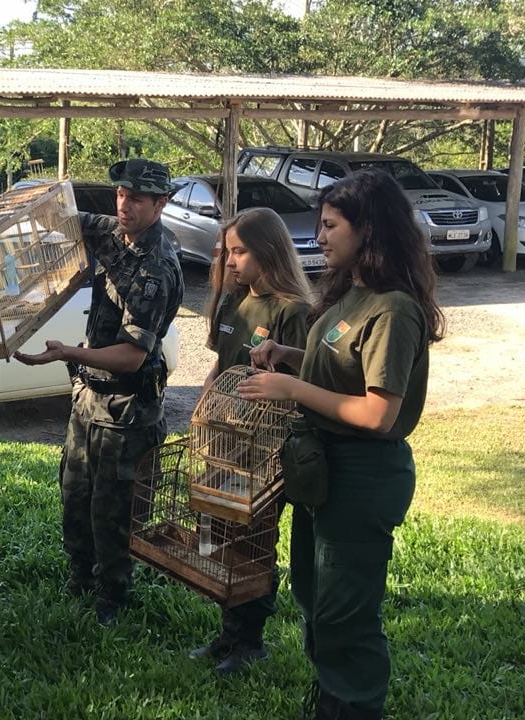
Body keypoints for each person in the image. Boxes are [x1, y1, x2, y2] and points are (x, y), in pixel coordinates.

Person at [238, 169, 444, 719]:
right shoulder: (352, 294)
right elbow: (342, 373)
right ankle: (331, 695)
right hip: (321, 467)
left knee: (345, 611)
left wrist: (291, 387)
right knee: (312, 592)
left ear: (368, 229)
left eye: (330, 225)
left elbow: (378, 412)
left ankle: (352, 705)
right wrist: (289, 357)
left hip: (362, 472)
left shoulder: (393, 309)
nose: (320, 236)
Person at [15, 158, 184, 625]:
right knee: (75, 494)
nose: (124, 205)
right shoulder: (115, 230)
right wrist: (28, 208)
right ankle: (79, 578)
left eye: (137, 198)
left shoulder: (157, 268)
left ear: (161, 204)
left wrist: (69, 352)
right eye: (121, 195)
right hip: (88, 402)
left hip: (128, 409)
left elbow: (131, 355)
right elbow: (63, 216)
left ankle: (112, 595)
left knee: (114, 509)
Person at [189, 208, 311, 675]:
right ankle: (228, 632)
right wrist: (201, 413)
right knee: (216, 536)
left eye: (241, 252)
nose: (232, 261)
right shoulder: (231, 304)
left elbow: (304, 378)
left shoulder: (292, 311)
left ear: (269, 251)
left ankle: (251, 641)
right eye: (228, 252)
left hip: (264, 450)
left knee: (254, 540)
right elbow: (221, 366)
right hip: (222, 441)